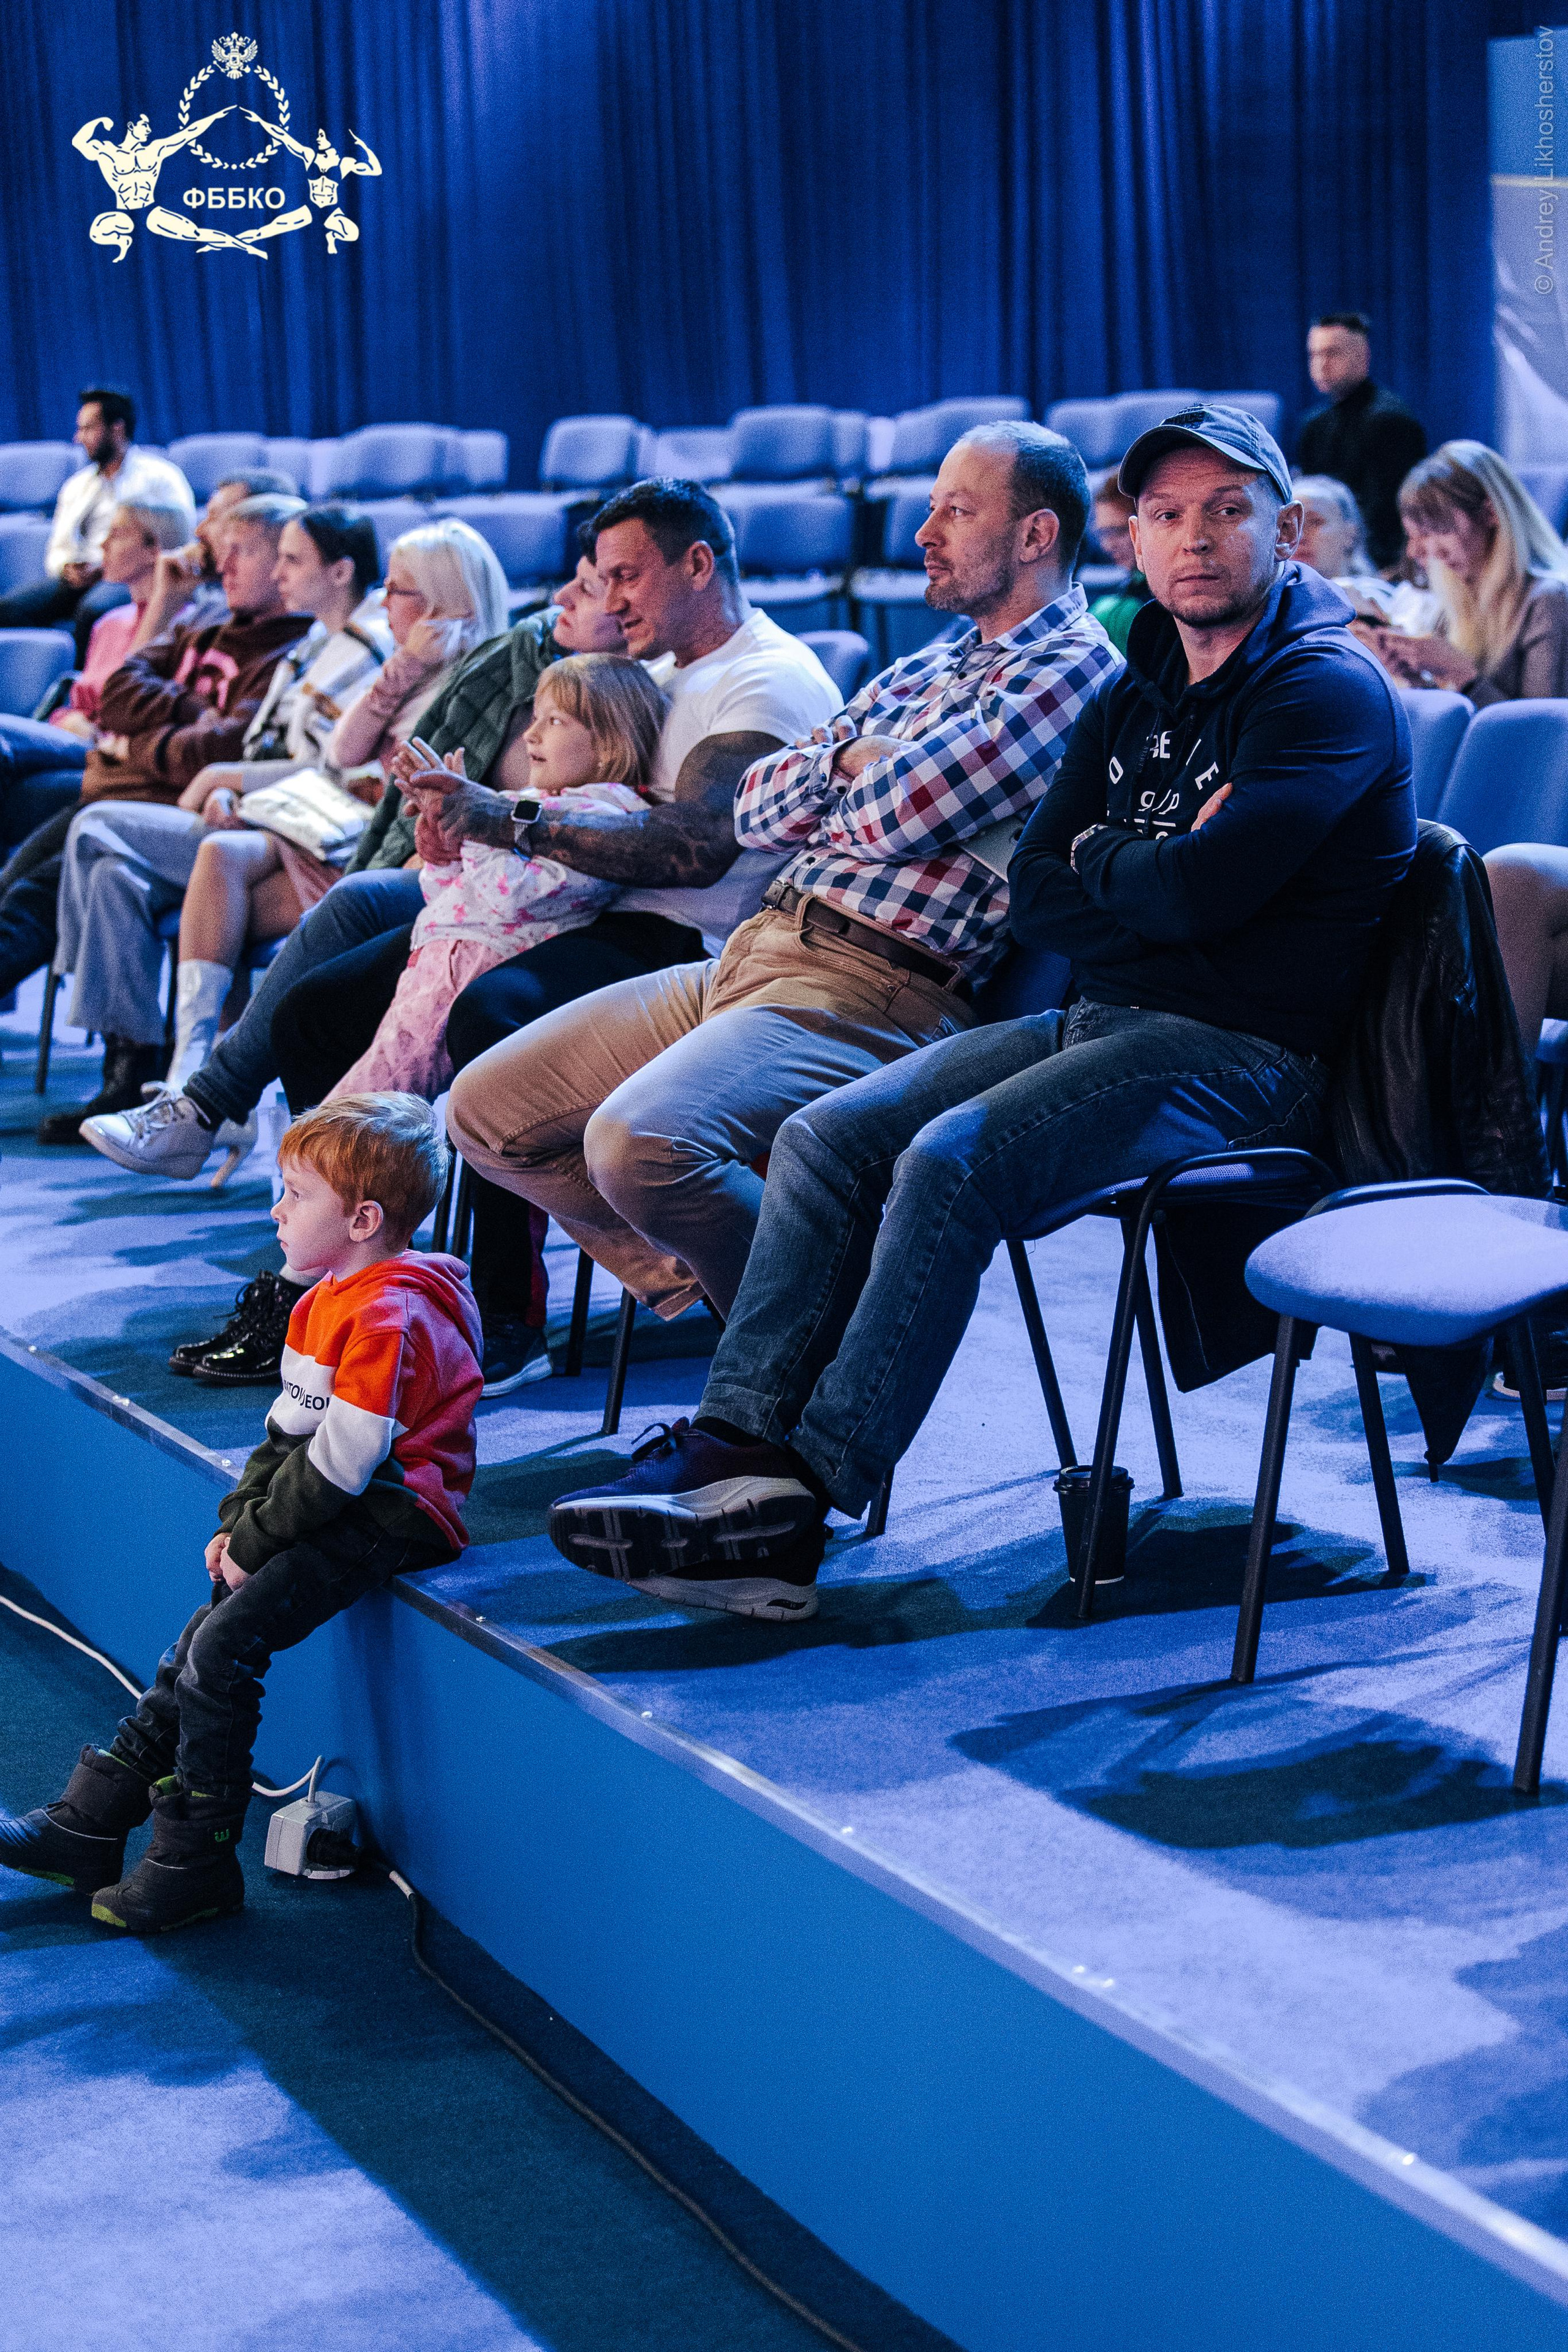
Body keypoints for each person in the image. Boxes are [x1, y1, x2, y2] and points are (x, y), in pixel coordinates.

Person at [543, 404, 1417, 1624]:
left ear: (1288, 531)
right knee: (826, 1138)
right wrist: (1134, 876)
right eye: (1164, 515)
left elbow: (1193, 890)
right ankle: (738, 1442)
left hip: (1238, 1055)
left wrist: (1118, 870)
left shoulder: (1320, 693)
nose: (1193, 539)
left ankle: (803, 1495)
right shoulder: (1140, 694)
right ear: (1131, 540)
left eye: (1226, 511)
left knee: (946, 1165)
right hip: (1100, 1018)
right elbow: (1049, 899)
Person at [104, 489, 840, 1396]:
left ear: (699, 565)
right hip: (581, 905)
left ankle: (506, 1311)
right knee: (317, 1012)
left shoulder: (763, 676)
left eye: (627, 576)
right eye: (599, 577)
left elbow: (693, 849)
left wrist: (504, 816)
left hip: (687, 937)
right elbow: (556, 754)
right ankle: (354, 1281)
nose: (610, 599)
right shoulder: (653, 662)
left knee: (488, 1018)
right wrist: (462, 809)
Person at [446, 424, 1118, 1344]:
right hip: (756, 952)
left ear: (1037, 537)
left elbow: (892, 814)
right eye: (929, 509)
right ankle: (778, 1300)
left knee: (637, 1145)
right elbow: (754, 811)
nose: (922, 534)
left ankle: (784, 1348)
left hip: (876, 988)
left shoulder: (1072, 670)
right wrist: (851, 760)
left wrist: (839, 776)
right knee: (483, 1113)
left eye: (955, 513)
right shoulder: (932, 663)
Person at [0, 1095, 481, 1933]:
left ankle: (197, 1861)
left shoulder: (389, 1313)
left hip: (399, 1507)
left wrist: (258, 1543)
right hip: (340, 1495)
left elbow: (346, 1460)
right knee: (197, 1642)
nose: (275, 1210)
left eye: (295, 1193)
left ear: (363, 1217)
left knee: (222, 1648)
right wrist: (238, 1524)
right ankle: (88, 1822)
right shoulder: (319, 1298)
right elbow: (285, 1439)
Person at [78, 516, 507, 1177]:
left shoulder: (473, 681)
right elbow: (342, 753)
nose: (382, 603)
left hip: (372, 852)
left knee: (122, 837)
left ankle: (205, 1100)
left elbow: (378, 779)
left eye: (396, 591)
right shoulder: (403, 661)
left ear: (447, 605)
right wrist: (404, 666)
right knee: (208, 859)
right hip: (340, 833)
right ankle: (191, 1085)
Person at [28, 495, 313, 1139]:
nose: (222, 564)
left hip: (218, 825)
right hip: (167, 814)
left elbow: (221, 750)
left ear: (285, 564)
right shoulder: (205, 624)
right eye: (224, 548)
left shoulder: (290, 650)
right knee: (108, 878)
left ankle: (149, 1062)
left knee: (90, 828)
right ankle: (130, 1073)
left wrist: (147, 742)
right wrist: (187, 715)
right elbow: (119, 693)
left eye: (244, 551)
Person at [330, 655, 668, 1100]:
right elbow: (455, 895)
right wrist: (442, 850)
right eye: (534, 718)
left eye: (555, 721)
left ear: (607, 744)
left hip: (476, 966)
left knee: (370, 1105)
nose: (531, 734)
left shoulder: (604, 819)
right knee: (374, 1092)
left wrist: (471, 827)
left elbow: (511, 896)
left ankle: (315, 1164)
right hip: (439, 961)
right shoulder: (524, 800)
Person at [0, 497, 193, 864]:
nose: (103, 545)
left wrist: (89, 728)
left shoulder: (186, 627)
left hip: (112, 750)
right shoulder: (110, 623)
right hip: (77, 738)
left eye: (117, 535)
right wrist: (67, 720)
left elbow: (140, 707)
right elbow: (75, 706)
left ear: (154, 549)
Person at [1354, 443, 1568, 706]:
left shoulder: (1548, 600)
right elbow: (1461, 718)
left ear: (1491, 514)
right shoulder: (1455, 601)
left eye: (1436, 531)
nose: (1418, 550)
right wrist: (1415, 679)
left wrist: (1460, 672)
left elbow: (1540, 733)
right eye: (1415, 535)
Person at [0, 386, 195, 660]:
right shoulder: (76, 486)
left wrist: (108, 566)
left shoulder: (161, 478)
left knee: (93, 610)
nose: (78, 438)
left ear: (117, 429)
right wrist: (67, 568)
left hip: (132, 575)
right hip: (79, 576)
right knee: (9, 608)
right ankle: (40, 677)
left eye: (88, 429)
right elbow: (59, 547)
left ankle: (85, 685)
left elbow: (178, 538)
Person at [1295, 314, 1428, 570]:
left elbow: (1398, 512)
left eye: (1332, 354)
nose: (1322, 364)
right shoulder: (1312, 425)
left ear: (1363, 356)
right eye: (1314, 355)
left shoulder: (1393, 421)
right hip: (1327, 559)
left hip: (1382, 565)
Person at [1084, 471, 1151, 653]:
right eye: (1103, 533)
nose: (1107, 546)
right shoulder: (1126, 596)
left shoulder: (1125, 612)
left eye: (1118, 532)